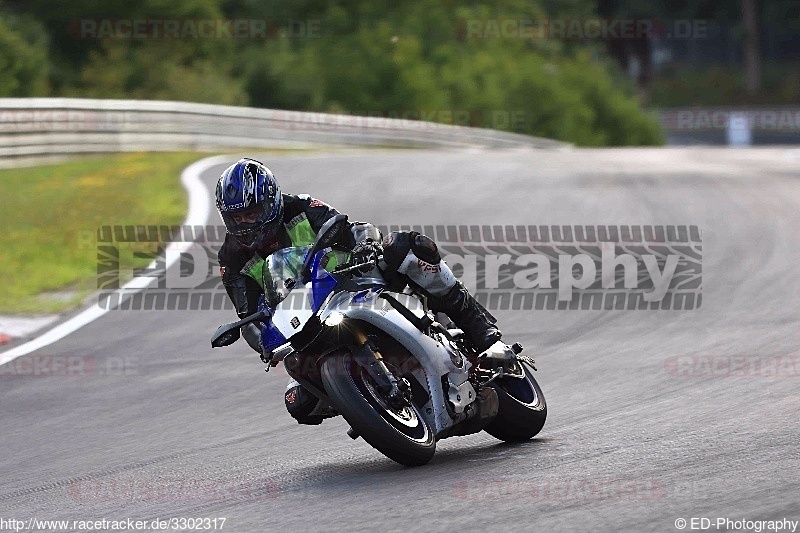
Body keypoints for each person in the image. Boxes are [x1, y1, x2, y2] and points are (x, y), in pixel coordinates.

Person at [216, 158, 502, 424]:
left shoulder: (300, 207)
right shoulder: (231, 257)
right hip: (305, 321)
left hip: (352, 280)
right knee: (298, 402)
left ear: (270, 203)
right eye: (235, 218)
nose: (243, 224)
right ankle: (362, 399)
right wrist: (265, 344)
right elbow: (249, 315)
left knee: (406, 247)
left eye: (250, 214)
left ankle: (481, 330)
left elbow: (351, 228)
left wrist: (366, 245)